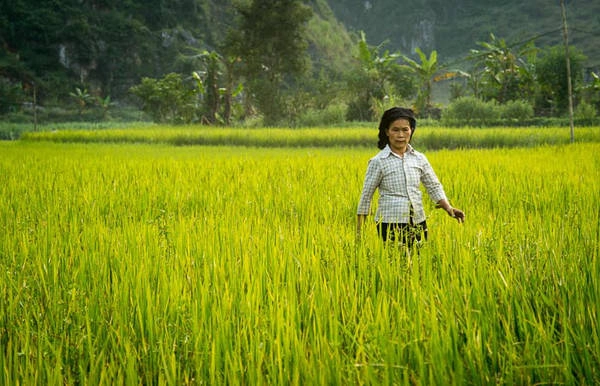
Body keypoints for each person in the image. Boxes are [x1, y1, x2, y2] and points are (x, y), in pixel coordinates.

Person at [356, 107, 464, 248]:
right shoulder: (379, 161)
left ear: (411, 130)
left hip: (418, 221)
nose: (401, 134)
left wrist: (449, 208)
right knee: (394, 263)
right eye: (395, 130)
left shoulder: (419, 158)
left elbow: (433, 186)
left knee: (418, 263)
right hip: (389, 224)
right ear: (387, 131)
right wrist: (359, 234)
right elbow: (366, 196)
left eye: (405, 129)